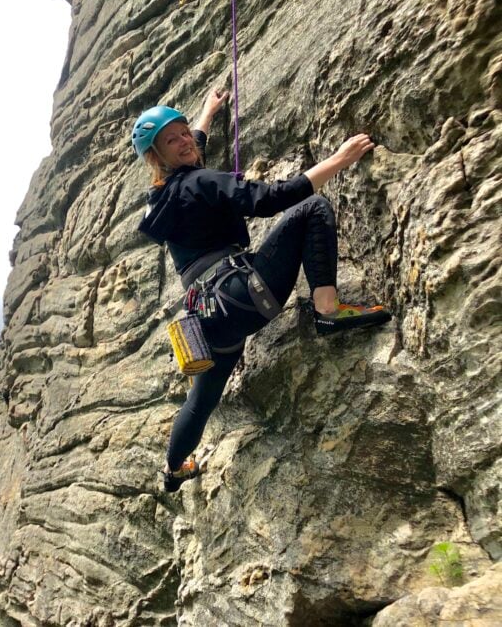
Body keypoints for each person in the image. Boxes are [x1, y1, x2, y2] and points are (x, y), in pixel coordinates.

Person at [133, 90, 392, 492]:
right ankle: (327, 310)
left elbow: (192, 151)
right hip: (242, 292)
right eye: (173, 140)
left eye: (185, 132)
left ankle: (174, 470)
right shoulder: (199, 182)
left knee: (200, 403)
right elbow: (274, 199)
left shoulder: (161, 196)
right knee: (314, 209)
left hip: (210, 319)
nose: (185, 141)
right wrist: (342, 157)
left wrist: (207, 113)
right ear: (156, 156)